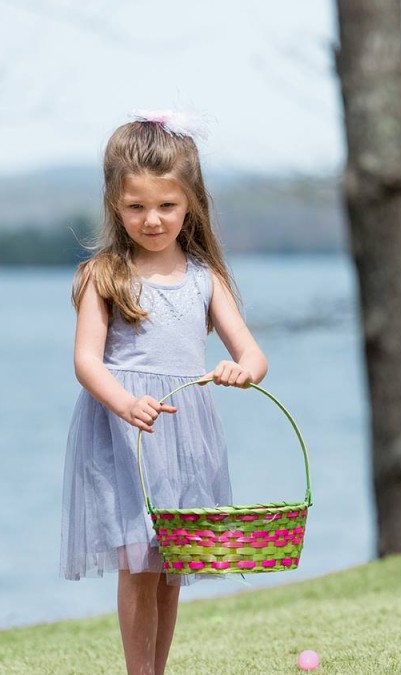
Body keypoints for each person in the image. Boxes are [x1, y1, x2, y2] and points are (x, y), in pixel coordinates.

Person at [61, 111, 267, 674]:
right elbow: (85, 361)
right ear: (114, 204)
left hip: (185, 433)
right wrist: (124, 403)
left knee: (172, 562)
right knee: (138, 562)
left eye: (166, 206)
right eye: (136, 207)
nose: (152, 220)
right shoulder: (105, 275)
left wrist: (238, 370)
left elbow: (253, 355)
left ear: (190, 204)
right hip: (127, 431)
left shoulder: (206, 278)